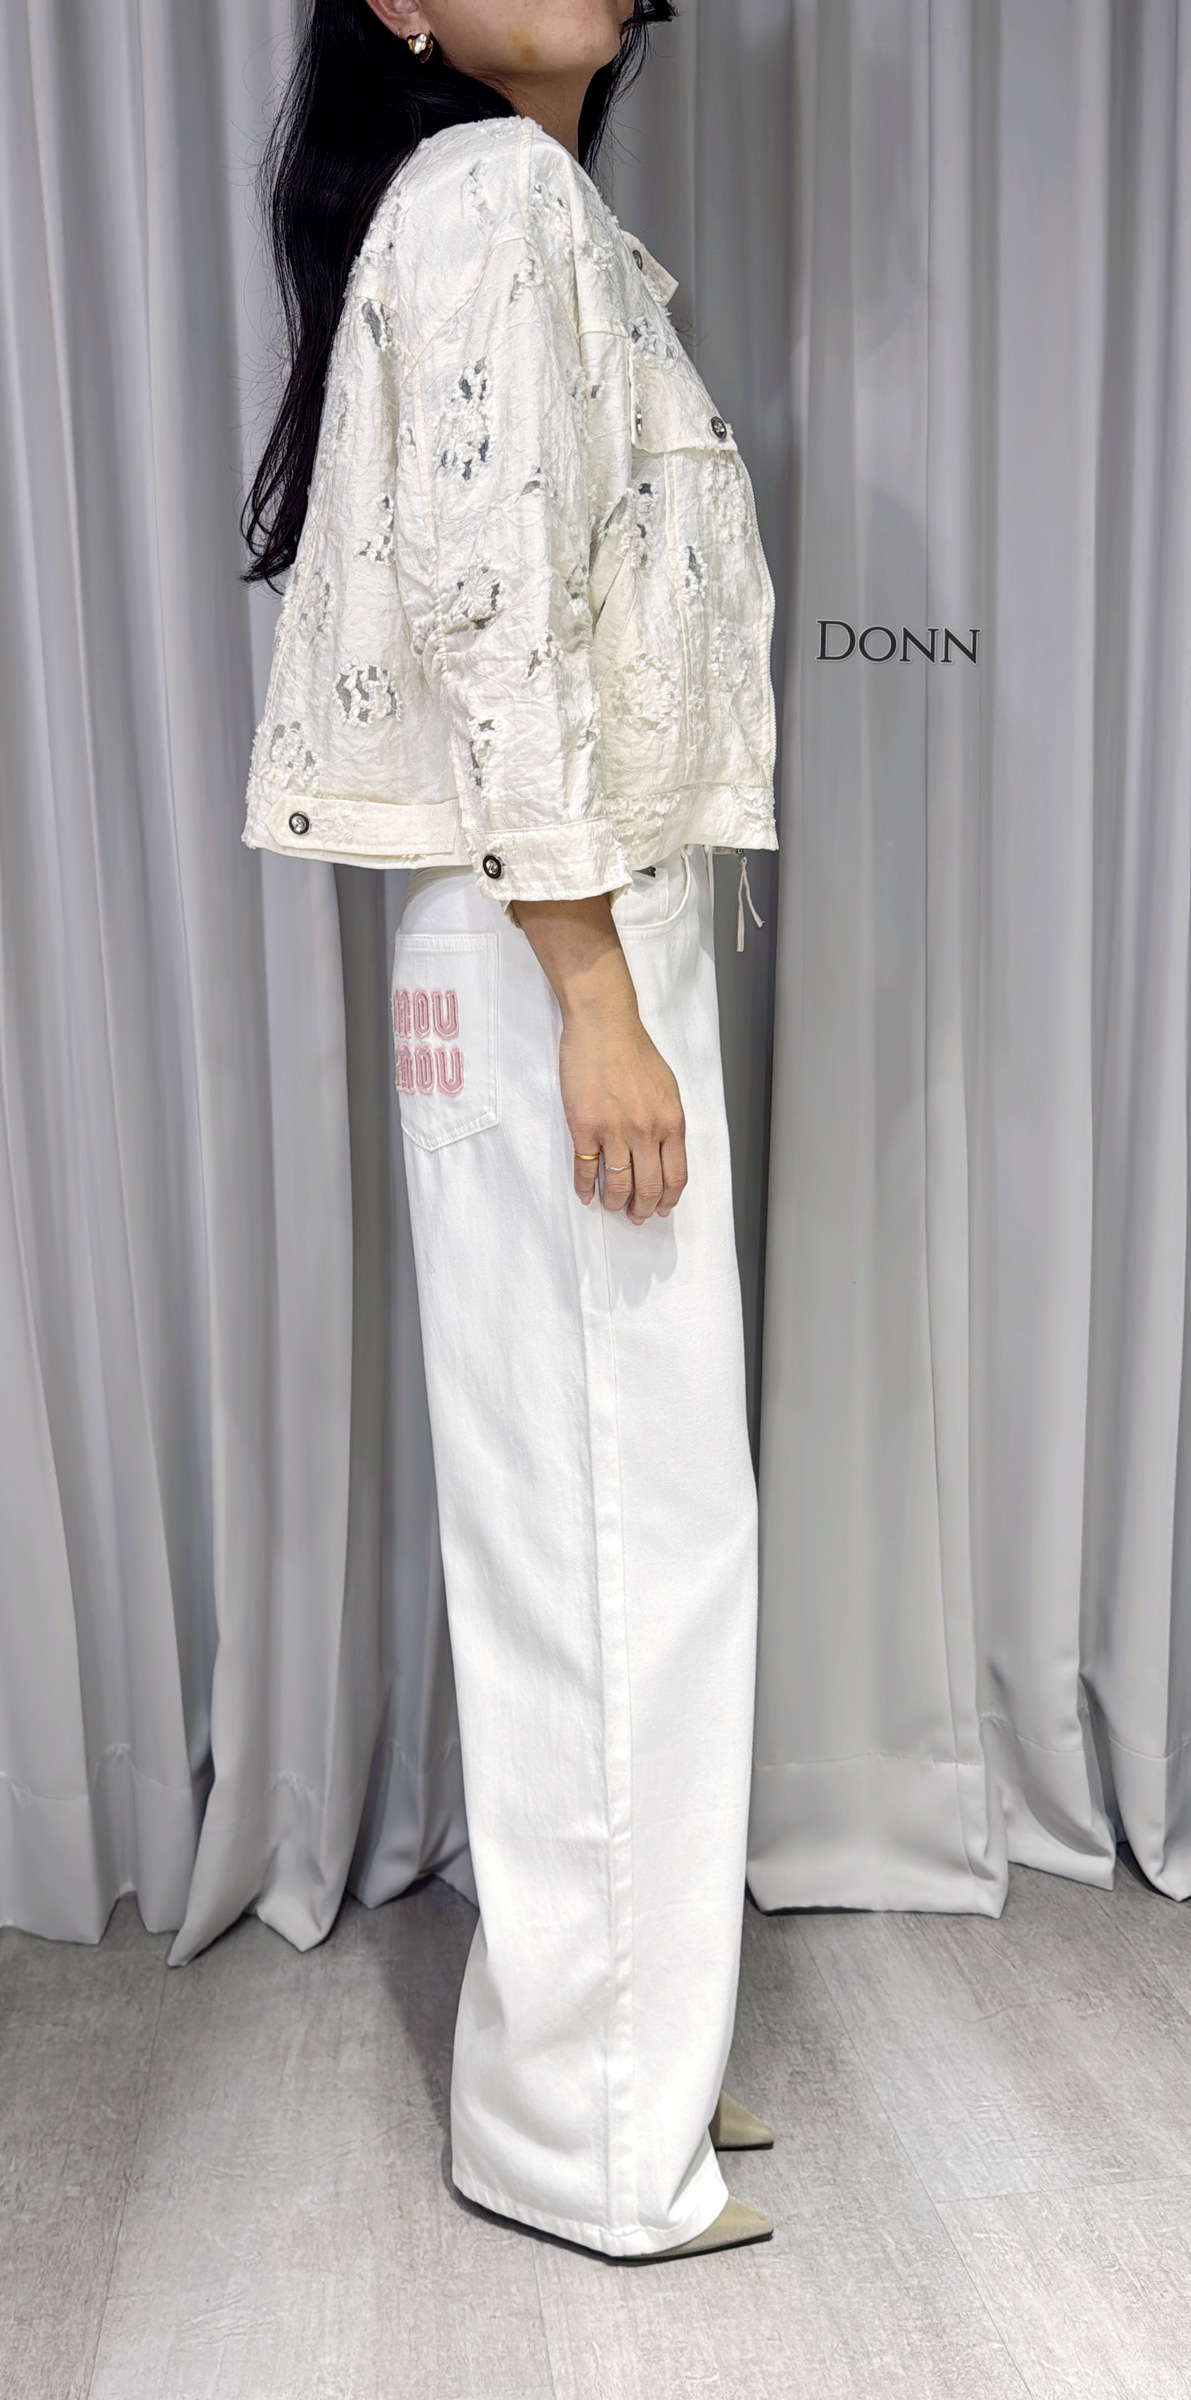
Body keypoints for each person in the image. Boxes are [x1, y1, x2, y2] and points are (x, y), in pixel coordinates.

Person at [242, 0, 778, 2261]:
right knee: (614, 1543)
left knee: (619, 1525)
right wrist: (595, 995)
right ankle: (588, 2135)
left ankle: (626, 2053)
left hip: (554, 928)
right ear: (401, 9)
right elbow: (495, 622)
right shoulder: (493, 198)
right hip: (557, 934)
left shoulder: (528, 211)